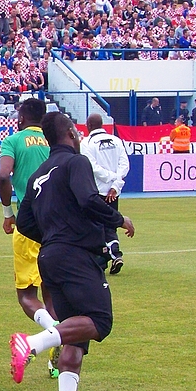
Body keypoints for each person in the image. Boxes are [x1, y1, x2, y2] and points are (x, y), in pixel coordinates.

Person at [11, 112, 135, 391]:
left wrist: (53, 236)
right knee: (99, 321)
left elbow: (24, 223)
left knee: (75, 334)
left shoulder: (37, 175)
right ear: (70, 133)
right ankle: (32, 344)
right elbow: (89, 200)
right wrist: (119, 220)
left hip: (50, 256)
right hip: (75, 254)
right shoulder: (76, 162)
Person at [0, 97, 61, 377]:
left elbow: (3, 175)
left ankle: (54, 331)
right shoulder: (54, 139)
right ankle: (54, 361)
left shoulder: (13, 141)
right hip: (56, 224)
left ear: (22, 118)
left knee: (26, 294)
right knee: (51, 292)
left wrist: (7, 213)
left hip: (28, 222)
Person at [80, 114, 129, 274]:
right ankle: (112, 255)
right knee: (110, 225)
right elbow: (124, 164)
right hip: (113, 191)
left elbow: (92, 167)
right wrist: (115, 184)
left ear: (88, 125)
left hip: (96, 191)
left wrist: (110, 179)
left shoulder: (86, 143)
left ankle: (105, 258)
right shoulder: (116, 140)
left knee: (96, 227)